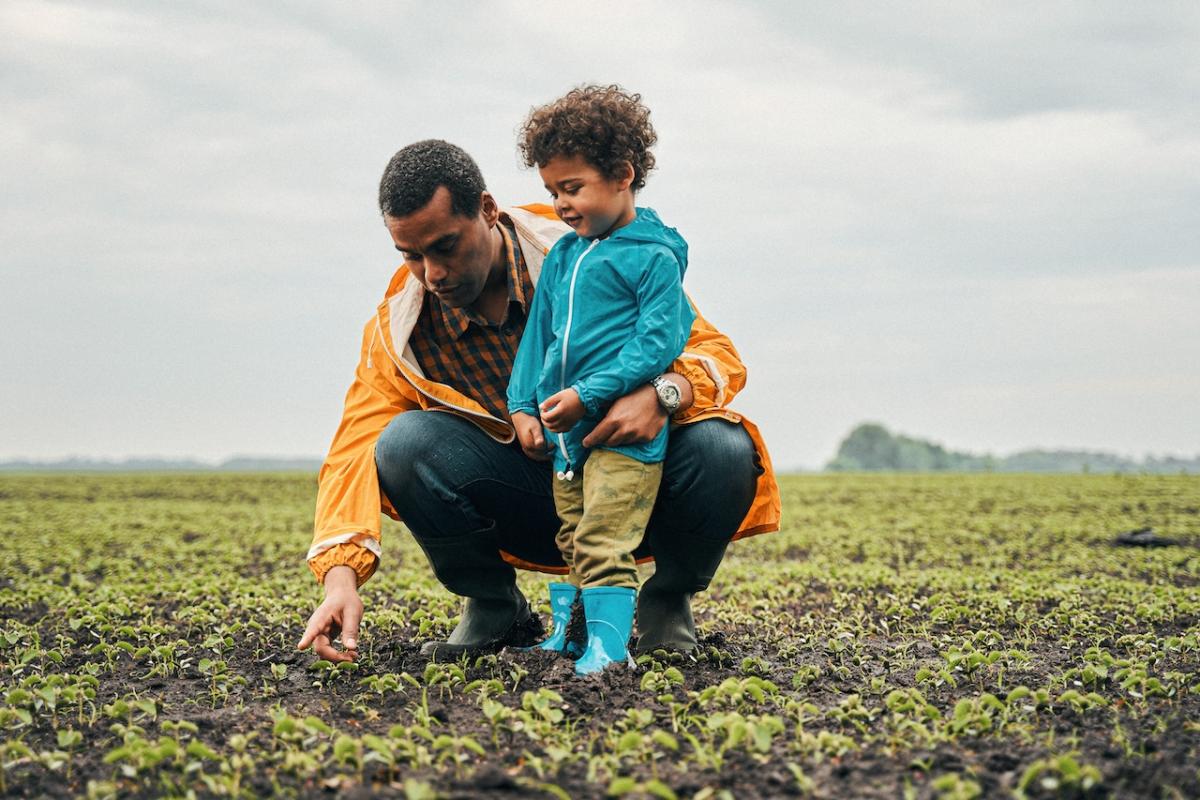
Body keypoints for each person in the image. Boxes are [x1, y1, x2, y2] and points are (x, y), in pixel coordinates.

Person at [296, 137, 780, 664]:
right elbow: (353, 446)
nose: (432, 274)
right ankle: (493, 606)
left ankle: (666, 603)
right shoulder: (402, 327)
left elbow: (712, 352)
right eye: (412, 256)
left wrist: (664, 394)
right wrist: (340, 580)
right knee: (403, 443)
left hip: (630, 480)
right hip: (532, 488)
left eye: (445, 246)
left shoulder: (585, 249)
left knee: (724, 447)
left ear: (487, 210)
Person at [507, 86, 695, 675]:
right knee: (571, 538)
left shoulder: (654, 258)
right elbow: (538, 336)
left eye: (572, 188)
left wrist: (589, 393)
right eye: (551, 191)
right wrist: (522, 405)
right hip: (566, 440)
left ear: (622, 175)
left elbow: (657, 343)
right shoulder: (564, 256)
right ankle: (572, 634)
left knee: (602, 539)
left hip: (622, 436)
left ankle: (610, 654)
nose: (560, 205)